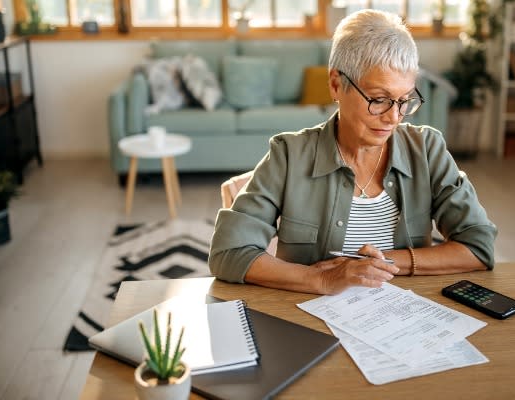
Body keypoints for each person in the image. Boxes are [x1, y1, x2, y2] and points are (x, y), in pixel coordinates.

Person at [209, 9, 497, 295]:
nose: (394, 117)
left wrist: (385, 262)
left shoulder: (427, 150)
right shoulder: (288, 155)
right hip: (311, 324)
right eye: (379, 99)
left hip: (407, 320)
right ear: (336, 84)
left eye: (404, 100)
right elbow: (228, 253)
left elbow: (478, 246)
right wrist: (320, 279)